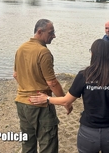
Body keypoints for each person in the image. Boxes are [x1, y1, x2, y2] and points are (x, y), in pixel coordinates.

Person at [29, 39, 109, 153]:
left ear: (93, 54)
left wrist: (47, 99)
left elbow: (66, 101)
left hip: (89, 132)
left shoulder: (84, 75)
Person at [13, 19, 73, 153]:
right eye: (51, 33)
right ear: (40, 32)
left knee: (28, 144)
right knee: (48, 145)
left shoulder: (21, 48)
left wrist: (27, 87)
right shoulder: (43, 52)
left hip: (22, 104)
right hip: (40, 106)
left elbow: (16, 75)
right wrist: (65, 102)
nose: (54, 36)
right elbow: (52, 82)